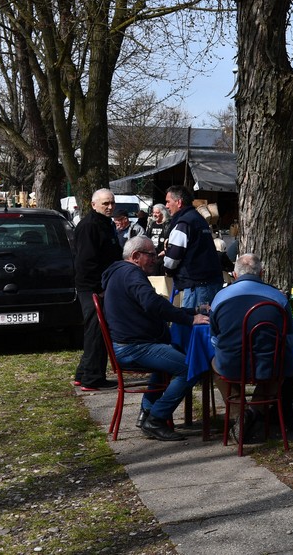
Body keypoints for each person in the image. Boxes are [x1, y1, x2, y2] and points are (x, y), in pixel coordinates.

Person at [101, 236, 209, 441]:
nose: (155, 259)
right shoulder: (132, 274)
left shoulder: (120, 273)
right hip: (134, 347)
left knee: (169, 358)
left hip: (132, 344)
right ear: (135, 256)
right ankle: (156, 419)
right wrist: (191, 319)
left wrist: (190, 311)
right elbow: (152, 304)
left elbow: (154, 303)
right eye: (150, 255)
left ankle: (147, 414)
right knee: (190, 367)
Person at [209, 253, 290, 443]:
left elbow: (214, 338)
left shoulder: (220, 298)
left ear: (235, 275)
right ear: (262, 273)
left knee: (214, 364)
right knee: (283, 362)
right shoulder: (278, 298)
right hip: (267, 365)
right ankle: (253, 411)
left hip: (231, 364)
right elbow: (289, 339)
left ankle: (240, 413)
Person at [73, 188, 123, 391]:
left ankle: (84, 373)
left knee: (97, 330)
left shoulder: (105, 224)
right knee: (96, 331)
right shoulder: (90, 226)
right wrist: (98, 288)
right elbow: (86, 262)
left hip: (102, 285)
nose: (110, 207)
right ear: (94, 205)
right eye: (105, 204)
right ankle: (92, 378)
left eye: (112, 203)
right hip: (92, 287)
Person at [163, 185, 224, 309]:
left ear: (179, 202)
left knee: (194, 324)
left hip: (196, 286)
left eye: (168, 202)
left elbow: (172, 259)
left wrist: (167, 269)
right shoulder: (199, 220)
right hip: (210, 282)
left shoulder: (184, 223)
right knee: (207, 325)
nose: (167, 206)